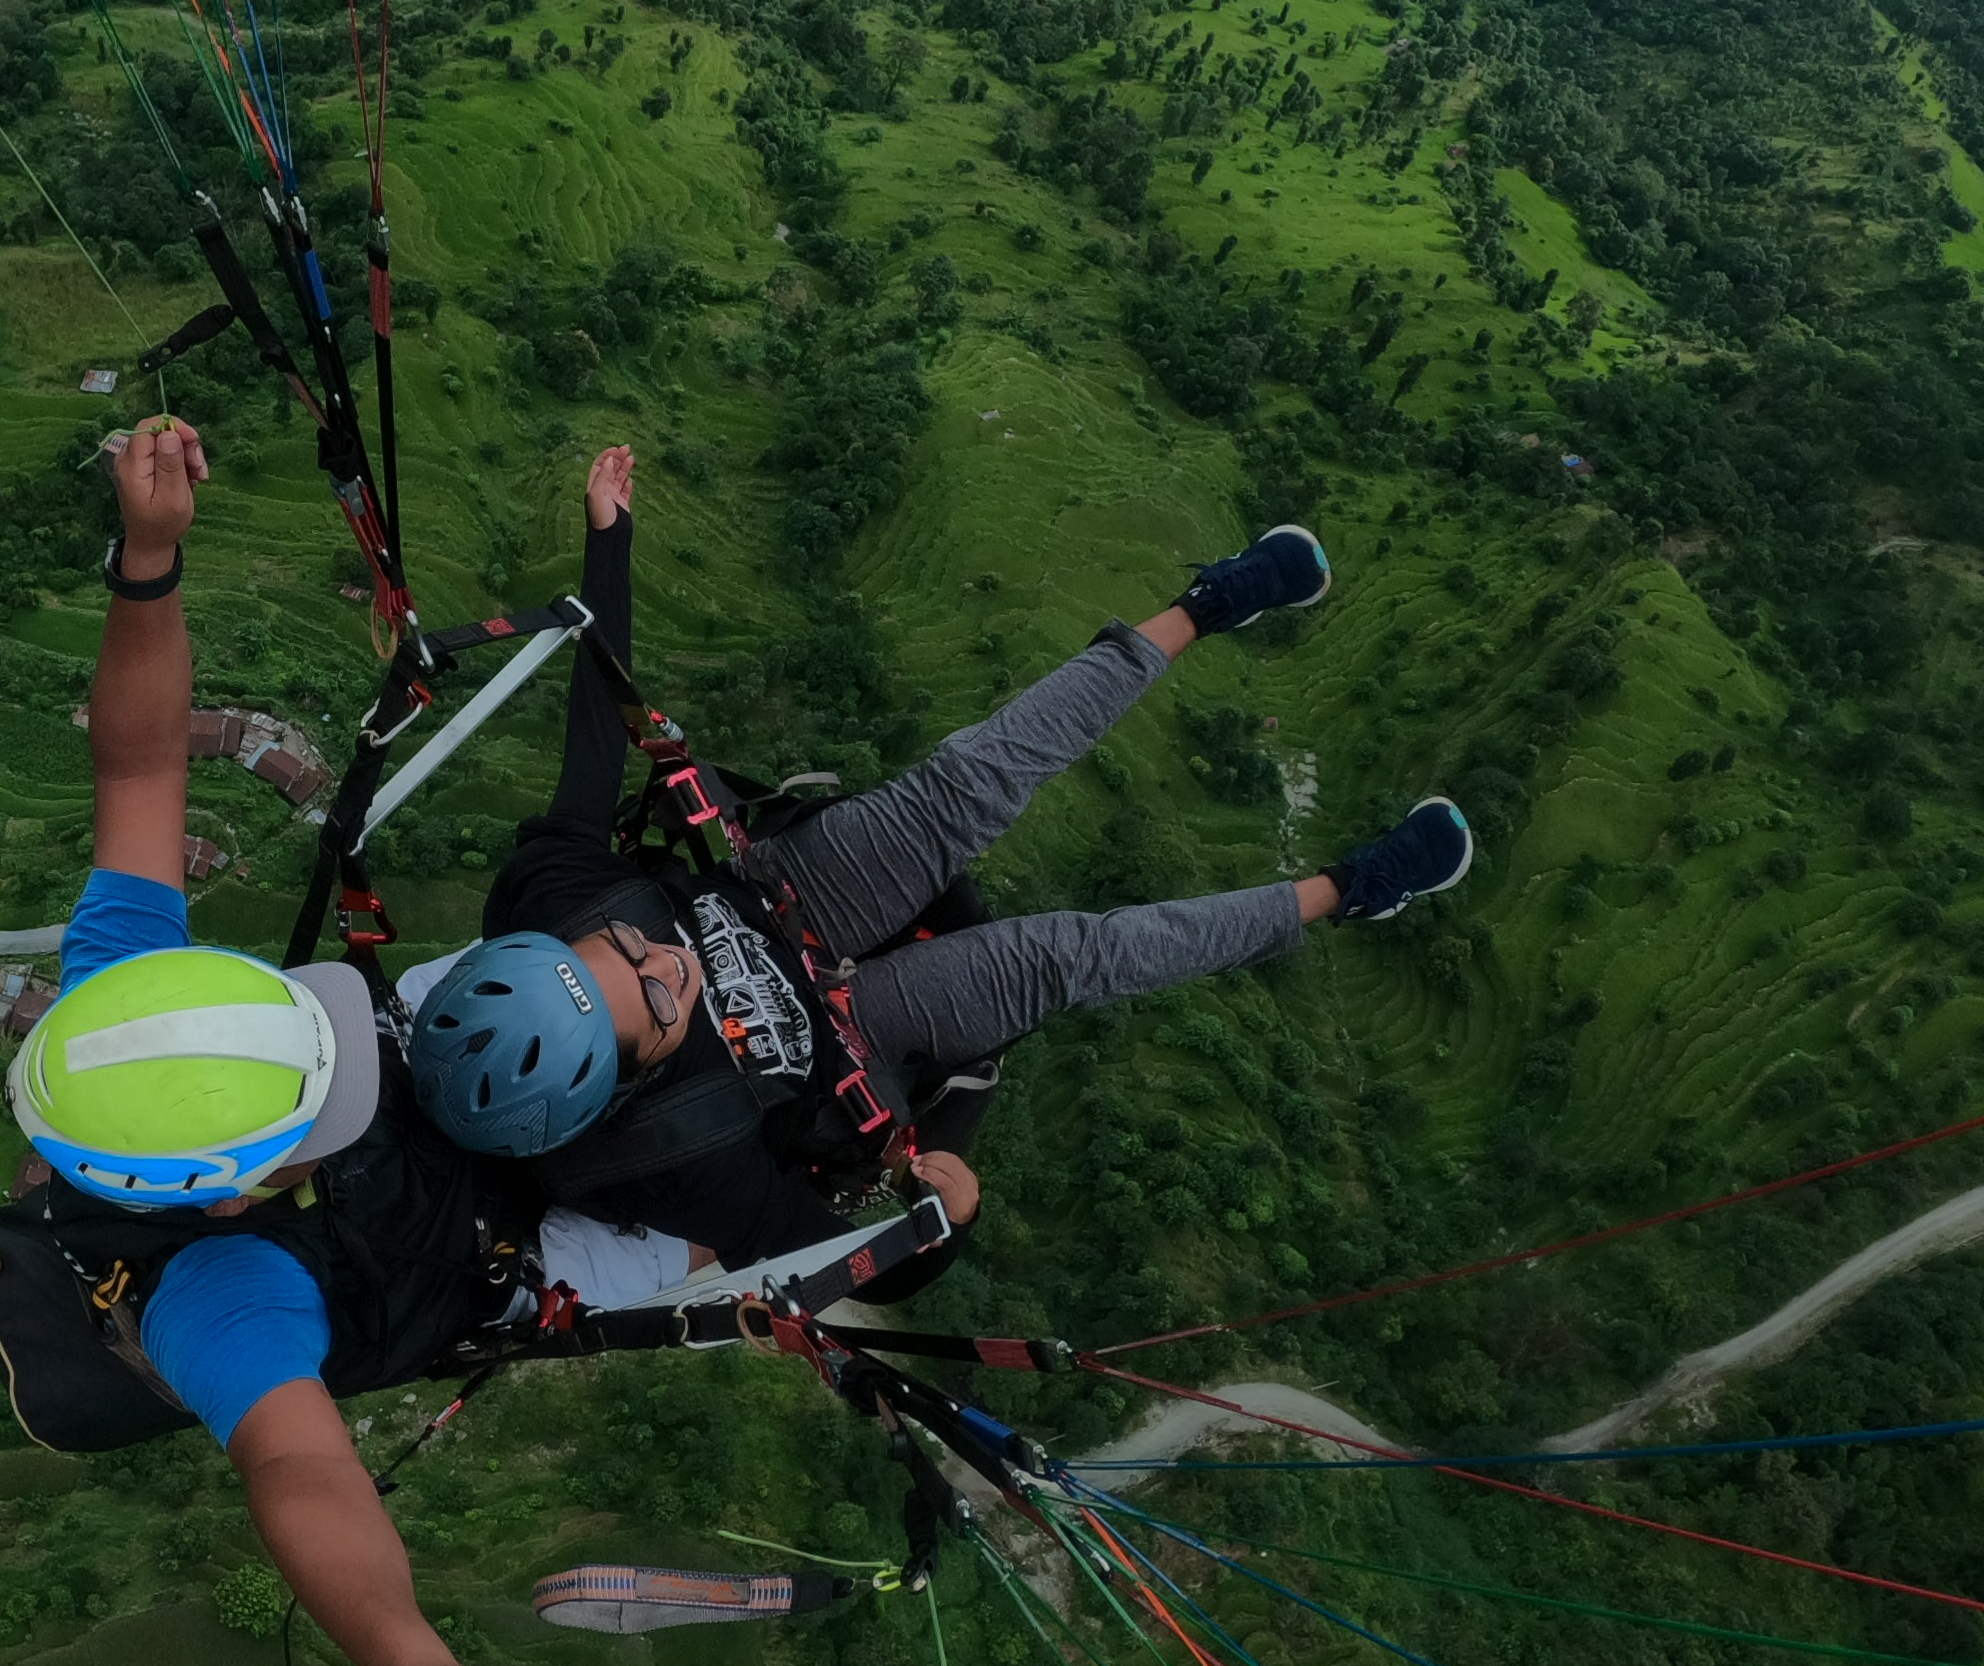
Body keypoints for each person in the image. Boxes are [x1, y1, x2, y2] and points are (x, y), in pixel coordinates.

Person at [403, 446, 1475, 1267]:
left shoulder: (553, 897)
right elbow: (831, 1261)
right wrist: (945, 1221)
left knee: (972, 778)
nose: (662, 954)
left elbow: (600, 734)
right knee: (1073, 957)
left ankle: (1208, 604)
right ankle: (1350, 890)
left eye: (618, 943)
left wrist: (608, 544)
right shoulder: (675, 1158)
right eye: (654, 997)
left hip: (776, 891)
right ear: (630, 1079)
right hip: (847, 1038)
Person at [0, 416, 518, 1666]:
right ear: (228, 1195)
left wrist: (149, 559)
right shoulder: (220, 1298)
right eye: (311, 1113)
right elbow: (294, 1466)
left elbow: (140, 770)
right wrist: (407, 1660)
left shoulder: (124, 1001)